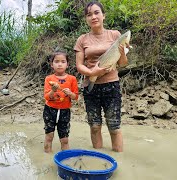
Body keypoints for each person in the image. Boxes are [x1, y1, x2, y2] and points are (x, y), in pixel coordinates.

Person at [74, 1, 130, 152]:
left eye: (96, 12)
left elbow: (123, 63)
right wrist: (93, 73)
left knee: (114, 126)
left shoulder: (115, 35)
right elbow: (79, 66)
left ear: (103, 15)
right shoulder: (82, 39)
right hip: (90, 87)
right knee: (94, 126)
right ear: (86, 19)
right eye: (89, 14)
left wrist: (122, 51)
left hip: (111, 85)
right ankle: (98, 159)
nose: (93, 16)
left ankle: (118, 159)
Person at [43, 51, 79, 153]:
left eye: (63, 61)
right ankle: (47, 159)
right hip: (50, 110)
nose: (59, 64)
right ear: (52, 64)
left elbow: (75, 97)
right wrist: (53, 90)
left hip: (65, 111)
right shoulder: (49, 79)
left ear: (67, 65)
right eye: (56, 61)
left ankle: (65, 160)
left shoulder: (72, 79)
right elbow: (46, 97)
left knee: (64, 139)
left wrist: (70, 93)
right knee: (49, 136)